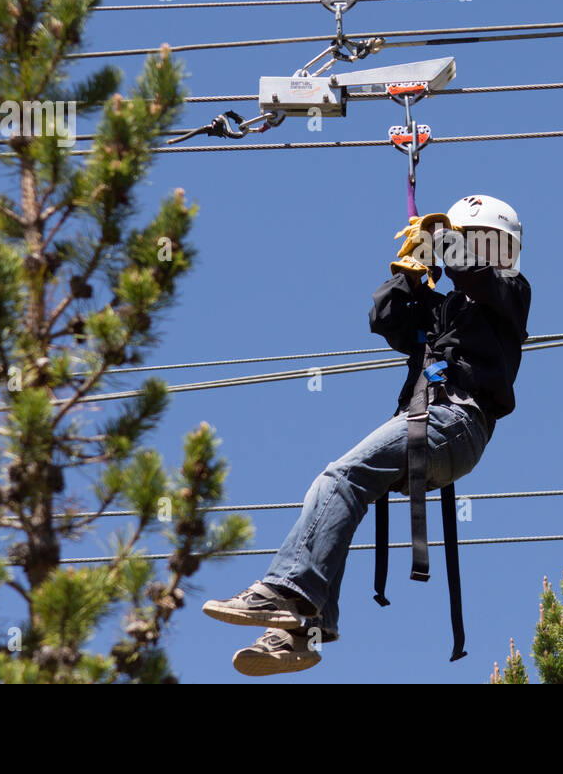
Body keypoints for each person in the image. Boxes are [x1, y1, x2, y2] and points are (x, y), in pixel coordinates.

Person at [202, 194, 531, 676]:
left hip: (456, 424)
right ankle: (301, 631)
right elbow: (387, 318)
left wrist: (443, 242)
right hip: (431, 423)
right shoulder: (444, 310)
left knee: (341, 478)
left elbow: (475, 277)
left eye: (478, 241)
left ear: (501, 248)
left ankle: (286, 590)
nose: (471, 249)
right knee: (336, 487)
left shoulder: (510, 291)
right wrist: (412, 268)